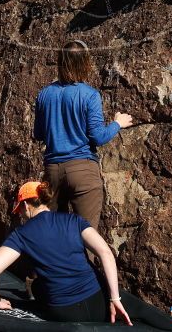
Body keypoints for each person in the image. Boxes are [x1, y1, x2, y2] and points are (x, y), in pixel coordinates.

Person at [0, 181, 172, 330]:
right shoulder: (73, 221)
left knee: (38, 286)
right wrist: (114, 298)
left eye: (20, 211)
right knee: (140, 308)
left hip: (62, 313)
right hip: (97, 302)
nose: (20, 215)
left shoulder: (21, 235)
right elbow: (105, 253)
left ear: (25, 205)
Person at [33, 40, 132, 231]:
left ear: (60, 61)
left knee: (55, 235)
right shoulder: (89, 95)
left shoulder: (44, 95)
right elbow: (98, 137)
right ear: (85, 63)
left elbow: (38, 134)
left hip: (52, 171)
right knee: (87, 236)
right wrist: (117, 123)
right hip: (82, 169)